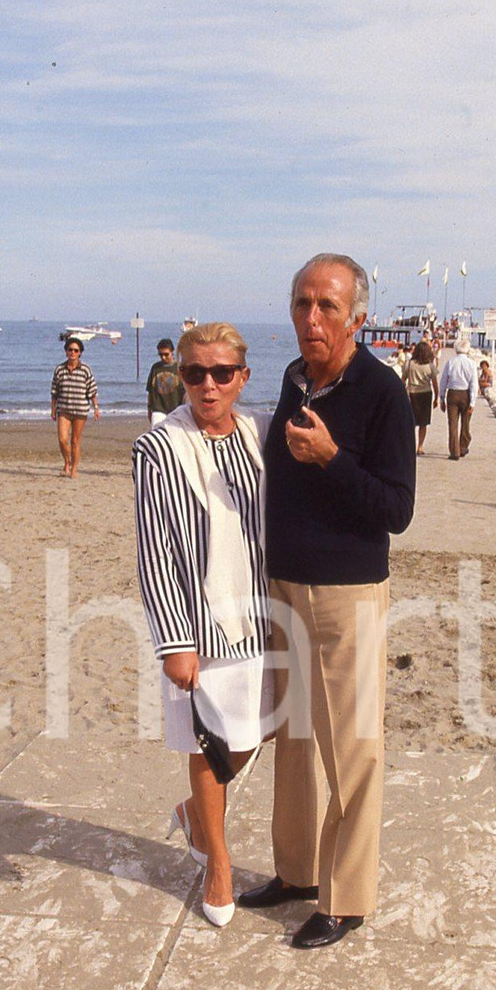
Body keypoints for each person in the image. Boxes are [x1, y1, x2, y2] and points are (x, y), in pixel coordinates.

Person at [238, 253, 415, 949]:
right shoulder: (291, 380)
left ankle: (346, 898)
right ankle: (296, 872)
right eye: (302, 302)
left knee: (353, 749)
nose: (312, 317)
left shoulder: (381, 393)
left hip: (346, 593)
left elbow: (397, 508)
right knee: (294, 741)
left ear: (358, 317)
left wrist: (333, 458)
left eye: (328, 306)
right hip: (284, 588)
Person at [132, 322, 274, 928]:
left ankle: (194, 813)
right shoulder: (159, 448)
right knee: (211, 743)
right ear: (179, 377)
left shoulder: (258, 432)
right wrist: (175, 641)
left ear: (243, 376)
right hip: (200, 624)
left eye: (222, 373)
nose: (208, 386)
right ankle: (218, 861)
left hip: (263, 614)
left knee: (254, 735)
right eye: (195, 374)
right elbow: (154, 548)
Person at [50, 338, 100, 477]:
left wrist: (96, 407)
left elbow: (92, 390)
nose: (72, 352)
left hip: (80, 411)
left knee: (75, 441)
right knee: (62, 439)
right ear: (66, 352)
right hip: (64, 410)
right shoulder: (59, 370)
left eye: (76, 350)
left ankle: (74, 469)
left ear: (80, 353)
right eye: (70, 350)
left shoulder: (85, 369)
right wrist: (53, 409)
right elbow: (54, 391)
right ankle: (67, 462)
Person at [439, 335, 479, 459]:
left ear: (456, 349)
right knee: (466, 423)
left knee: (452, 424)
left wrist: (441, 397)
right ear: (467, 350)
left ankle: (454, 452)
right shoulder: (471, 364)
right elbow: (474, 384)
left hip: (452, 394)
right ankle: (463, 446)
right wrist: (472, 402)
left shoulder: (450, 362)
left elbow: (443, 381)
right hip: (465, 394)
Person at [403, 337, 440, 454]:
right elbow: (435, 384)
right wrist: (436, 398)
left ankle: (409, 446)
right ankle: (420, 447)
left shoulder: (409, 364)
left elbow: (402, 381)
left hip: (412, 394)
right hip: (425, 395)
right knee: (423, 423)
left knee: (411, 422)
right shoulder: (430, 366)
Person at [145, 338, 185, 425]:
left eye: (166, 354)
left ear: (172, 352)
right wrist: (149, 409)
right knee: (157, 434)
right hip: (158, 409)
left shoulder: (180, 368)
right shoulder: (155, 368)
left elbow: (186, 391)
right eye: (160, 355)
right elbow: (150, 390)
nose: (163, 357)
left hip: (176, 409)